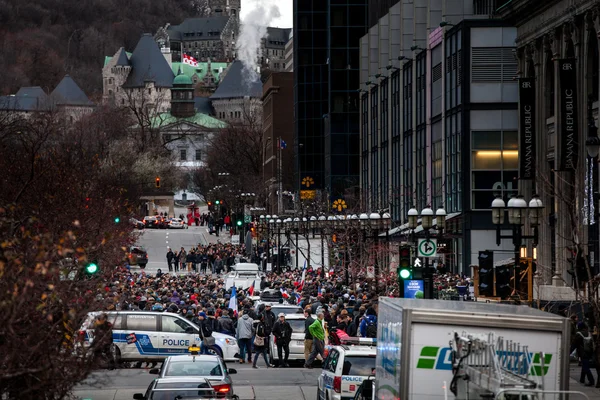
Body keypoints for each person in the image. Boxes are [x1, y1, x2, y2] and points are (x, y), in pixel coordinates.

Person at [574, 322, 596, 386]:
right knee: (584, 365)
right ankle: (582, 379)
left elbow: (574, 344)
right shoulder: (589, 333)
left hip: (583, 353)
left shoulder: (578, 334)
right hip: (589, 352)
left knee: (586, 367)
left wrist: (568, 352)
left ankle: (591, 381)